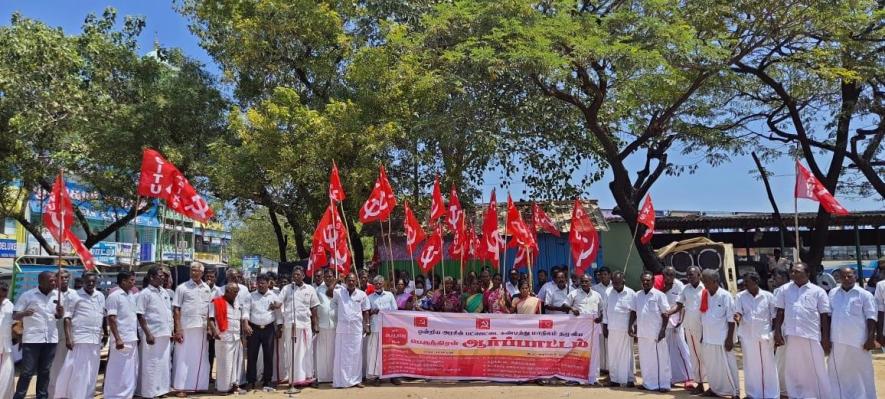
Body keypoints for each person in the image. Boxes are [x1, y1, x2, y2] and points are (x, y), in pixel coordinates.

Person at [773, 262, 832, 399]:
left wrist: (825, 337)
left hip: (811, 335)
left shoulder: (818, 291)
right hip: (791, 334)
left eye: (797, 271)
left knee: (815, 367)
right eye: (792, 271)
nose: (793, 274)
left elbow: (824, 315)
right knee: (793, 368)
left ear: (807, 273)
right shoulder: (784, 290)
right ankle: (795, 394)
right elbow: (780, 312)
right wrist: (777, 332)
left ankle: (818, 394)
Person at [52, 272, 104, 399]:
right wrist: (69, 338)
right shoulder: (75, 296)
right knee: (78, 370)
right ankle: (74, 395)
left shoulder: (100, 296)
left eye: (93, 281)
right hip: (80, 338)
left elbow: (103, 316)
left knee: (92, 370)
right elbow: (67, 318)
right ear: (83, 282)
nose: (91, 284)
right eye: (88, 281)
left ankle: (87, 395)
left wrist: (105, 334)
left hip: (95, 338)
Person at [828, 267, 877, 399]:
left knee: (863, 371)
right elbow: (828, 316)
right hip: (837, 339)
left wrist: (870, 338)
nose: (846, 279)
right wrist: (826, 338)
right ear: (838, 277)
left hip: (859, 340)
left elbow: (871, 317)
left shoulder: (864, 294)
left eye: (849, 276)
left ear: (855, 276)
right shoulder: (833, 293)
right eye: (843, 276)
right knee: (837, 371)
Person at [13, 271, 63, 399]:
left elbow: (59, 316)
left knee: (45, 372)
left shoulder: (58, 295)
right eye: (51, 280)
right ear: (41, 281)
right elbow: (15, 315)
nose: (54, 283)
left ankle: (42, 397)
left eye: (54, 280)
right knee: (27, 373)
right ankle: (18, 397)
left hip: (51, 339)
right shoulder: (28, 295)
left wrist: (59, 314)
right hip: (32, 340)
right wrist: (24, 313)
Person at [172, 262, 214, 396]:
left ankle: (198, 386)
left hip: (201, 328)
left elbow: (209, 310)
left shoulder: (206, 288)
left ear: (202, 273)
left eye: (197, 271)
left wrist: (209, 328)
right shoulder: (182, 288)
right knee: (183, 357)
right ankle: (181, 387)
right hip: (186, 327)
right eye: (192, 270)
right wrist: (178, 329)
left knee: (200, 358)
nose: (194, 273)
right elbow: (176, 309)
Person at [734, 271, 779, 399]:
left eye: (747, 282)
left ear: (756, 282)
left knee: (768, 365)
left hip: (765, 335)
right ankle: (753, 394)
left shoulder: (768, 296)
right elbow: (738, 312)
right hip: (747, 336)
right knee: (750, 365)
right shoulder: (740, 296)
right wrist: (737, 316)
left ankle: (771, 395)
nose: (745, 284)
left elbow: (774, 317)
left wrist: (775, 334)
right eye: (744, 282)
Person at [697, 269, 739, 398]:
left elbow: (731, 320)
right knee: (711, 367)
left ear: (715, 281)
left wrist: (729, 339)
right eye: (703, 281)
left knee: (728, 366)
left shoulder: (725, 296)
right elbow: (703, 318)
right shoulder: (704, 294)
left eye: (706, 281)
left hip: (722, 339)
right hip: (708, 338)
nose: (704, 284)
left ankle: (734, 392)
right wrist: (703, 336)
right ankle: (714, 389)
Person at [628, 271, 670, 393]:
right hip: (642, 333)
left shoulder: (659, 295)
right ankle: (648, 383)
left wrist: (663, 330)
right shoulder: (637, 295)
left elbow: (665, 315)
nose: (645, 282)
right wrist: (630, 325)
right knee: (645, 360)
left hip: (656, 333)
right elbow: (633, 312)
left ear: (652, 281)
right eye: (643, 280)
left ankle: (663, 384)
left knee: (661, 359)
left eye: (648, 280)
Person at [279, 266, 319, 393]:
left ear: (303, 276)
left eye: (298, 275)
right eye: (294, 275)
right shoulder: (287, 288)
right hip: (291, 326)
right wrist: (274, 304)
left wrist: (315, 324)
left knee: (307, 352)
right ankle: (294, 380)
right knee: (292, 353)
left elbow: (314, 308)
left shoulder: (310, 289)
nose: (295, 277)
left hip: (305, 324)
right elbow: (279, 302)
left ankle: (308, 378)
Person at [136, 266, 174, 399]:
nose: (163, 277)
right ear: (151, 277)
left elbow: (168, 313)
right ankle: (149, 392)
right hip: (152, 334)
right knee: (151, 364)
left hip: (165, 333)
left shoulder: (164, 292)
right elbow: (140, 315)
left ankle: (161, 390)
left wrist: (171, 330)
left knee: (163, 364)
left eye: (163, 275)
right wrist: (148, 334)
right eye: (160, 275)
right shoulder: (145, 293)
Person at [669, 265, 705, 394]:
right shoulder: (685, 289)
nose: (689, 277)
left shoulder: (705, 289)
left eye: (692, 275)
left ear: (699, 275)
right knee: (695, 357)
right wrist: (669, 312)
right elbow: (679, 305)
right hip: (689, 328)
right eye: (688, 275)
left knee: (706, 357)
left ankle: (713, 385)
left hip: (704, 329)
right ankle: (700, 384)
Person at [104, 271, 140, 398]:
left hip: (132, 337)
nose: (133, 283)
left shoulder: (131, 295)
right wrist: (118, 338)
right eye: (131, 280)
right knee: (118, 369)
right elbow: (112, 319)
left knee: (129, 370)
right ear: (123, 281)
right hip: (121, 339)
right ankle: (113, 395)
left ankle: (126, 395)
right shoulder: (114, 296)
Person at [244, 273, 282, 392]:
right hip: (253, 329)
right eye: (259, 282)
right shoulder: (250, 296)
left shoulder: (274, 296)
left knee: (268, 355)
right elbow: (245, 311)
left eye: (263, 283)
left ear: (268, 283)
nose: (260, 285)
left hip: (269, 329)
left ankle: (267, 381)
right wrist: (245, 324)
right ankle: (251, 381)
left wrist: (279, 328)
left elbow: (278, 314)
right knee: (251, 355)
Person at [332, 272, 370, 389]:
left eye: (353, 280)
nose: (351, 282)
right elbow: (328, 292)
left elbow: (366, 310)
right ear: (346, 281)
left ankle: (356, 380)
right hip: (342, 329)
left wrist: (367, 324)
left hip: (356, 329)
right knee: (341, 356)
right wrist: (336, 280)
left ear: (356, 281)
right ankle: (341, 381)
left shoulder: (362, 294)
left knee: (356, 355)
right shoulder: (339, 292)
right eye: (349, 280)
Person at [209, 284, 246, 395]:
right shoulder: (216, 301)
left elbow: (239, 319)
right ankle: (223, 388)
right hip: (223, 336)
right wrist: (214, 332)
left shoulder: (236, 302)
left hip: (236, 336)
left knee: (236, 363)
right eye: (234, 292)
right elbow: (210, 318)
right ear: (227, 291)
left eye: (237, 292)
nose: (236, 294)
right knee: (225, 363)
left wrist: (242, 336)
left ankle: (235, 385)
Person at [566, 275, 603, 385]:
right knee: (577, 352)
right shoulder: (574, 293)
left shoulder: (597, 295)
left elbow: (601, 310)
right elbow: (564, 304)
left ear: (590, 282)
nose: (584, 283)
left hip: (593, 327)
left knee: (594, 353)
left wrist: (600, 318)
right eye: (582, 281)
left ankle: (594, 378)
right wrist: (572, 308)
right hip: (579, 329)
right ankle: (576, 378)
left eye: (586, 281)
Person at [660, 266, 693, 387]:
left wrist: (680, 321)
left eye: (671, 274)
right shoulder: (659, 284)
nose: (669, 277)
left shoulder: (680, 285)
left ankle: (689, 377)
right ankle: (672, 377)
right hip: (663, 322)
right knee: (668, 351)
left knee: (681, 348)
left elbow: (682, 305)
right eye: (667, 274)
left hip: (676, 322)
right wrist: (665, 289)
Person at [602, 272, 635, 388]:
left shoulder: (631, 293)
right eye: (614, 283)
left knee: (627, 355)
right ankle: (615, 379)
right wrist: (605, 327)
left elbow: (633, 312)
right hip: (612, 328)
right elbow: (604, 310)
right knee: (613, 354)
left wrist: (631, 326)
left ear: (623, 281)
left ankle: (629, 379)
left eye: (618, 283)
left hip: (625, 329)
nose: (615, 285)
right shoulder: (608, 292)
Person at [47, 270, 76, 399]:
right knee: (54, 368)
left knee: (69, 366)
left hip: (70, 336)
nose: (65, 279)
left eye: (66, 277)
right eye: (62, 277)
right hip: (53, 335)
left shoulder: (75, 294)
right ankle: (53, 395)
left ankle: (66, 394)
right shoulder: (51, 295)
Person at [366, 275, 398, 384]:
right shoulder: (370, 297)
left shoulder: (389, 295)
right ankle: (377, 376)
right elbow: (366, 312)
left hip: (388, 328)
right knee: (375, 353)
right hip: (375, 328)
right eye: (376, 284)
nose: (378, 285)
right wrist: (372, 312)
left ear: (383, 283)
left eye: (379, 283)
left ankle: (393, 375)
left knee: (390, 352)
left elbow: (395, 311)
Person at [769, 267, 790, 395]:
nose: (773, 280)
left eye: (775, 277)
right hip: (782, 329)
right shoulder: (778, 291)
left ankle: (784, 390)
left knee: (784, 360)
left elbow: (778, 313)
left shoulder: (783, 290)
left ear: (783, 278)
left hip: (786, 329)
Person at [314, 269, 337, 384]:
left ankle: (333, 376)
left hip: (335, 325)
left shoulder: (340, 290)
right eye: (326, 276)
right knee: (321, 352)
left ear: (334, 277)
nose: (328, 278)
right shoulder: (318, 290)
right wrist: (315, 323)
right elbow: (314, 308)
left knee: (334, 351)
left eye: (330, 276)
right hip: (322, 325)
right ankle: (321, 377)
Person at [591, 266, 612, 375]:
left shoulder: (615, 286)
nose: (603, 277)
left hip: (613, 319)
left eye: (605, 274)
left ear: (609, 275)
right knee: (601, 343)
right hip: (600, 319)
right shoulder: (595, 288)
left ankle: (611, 367)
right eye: (601, 275)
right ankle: (603, 367)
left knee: (611, 343)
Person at [0, 283, 12, 399]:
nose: (4, 292)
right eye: (2, 290)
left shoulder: (10, 305)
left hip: (5, 346)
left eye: (5, 290)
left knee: (6, 374)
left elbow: (15, 324)